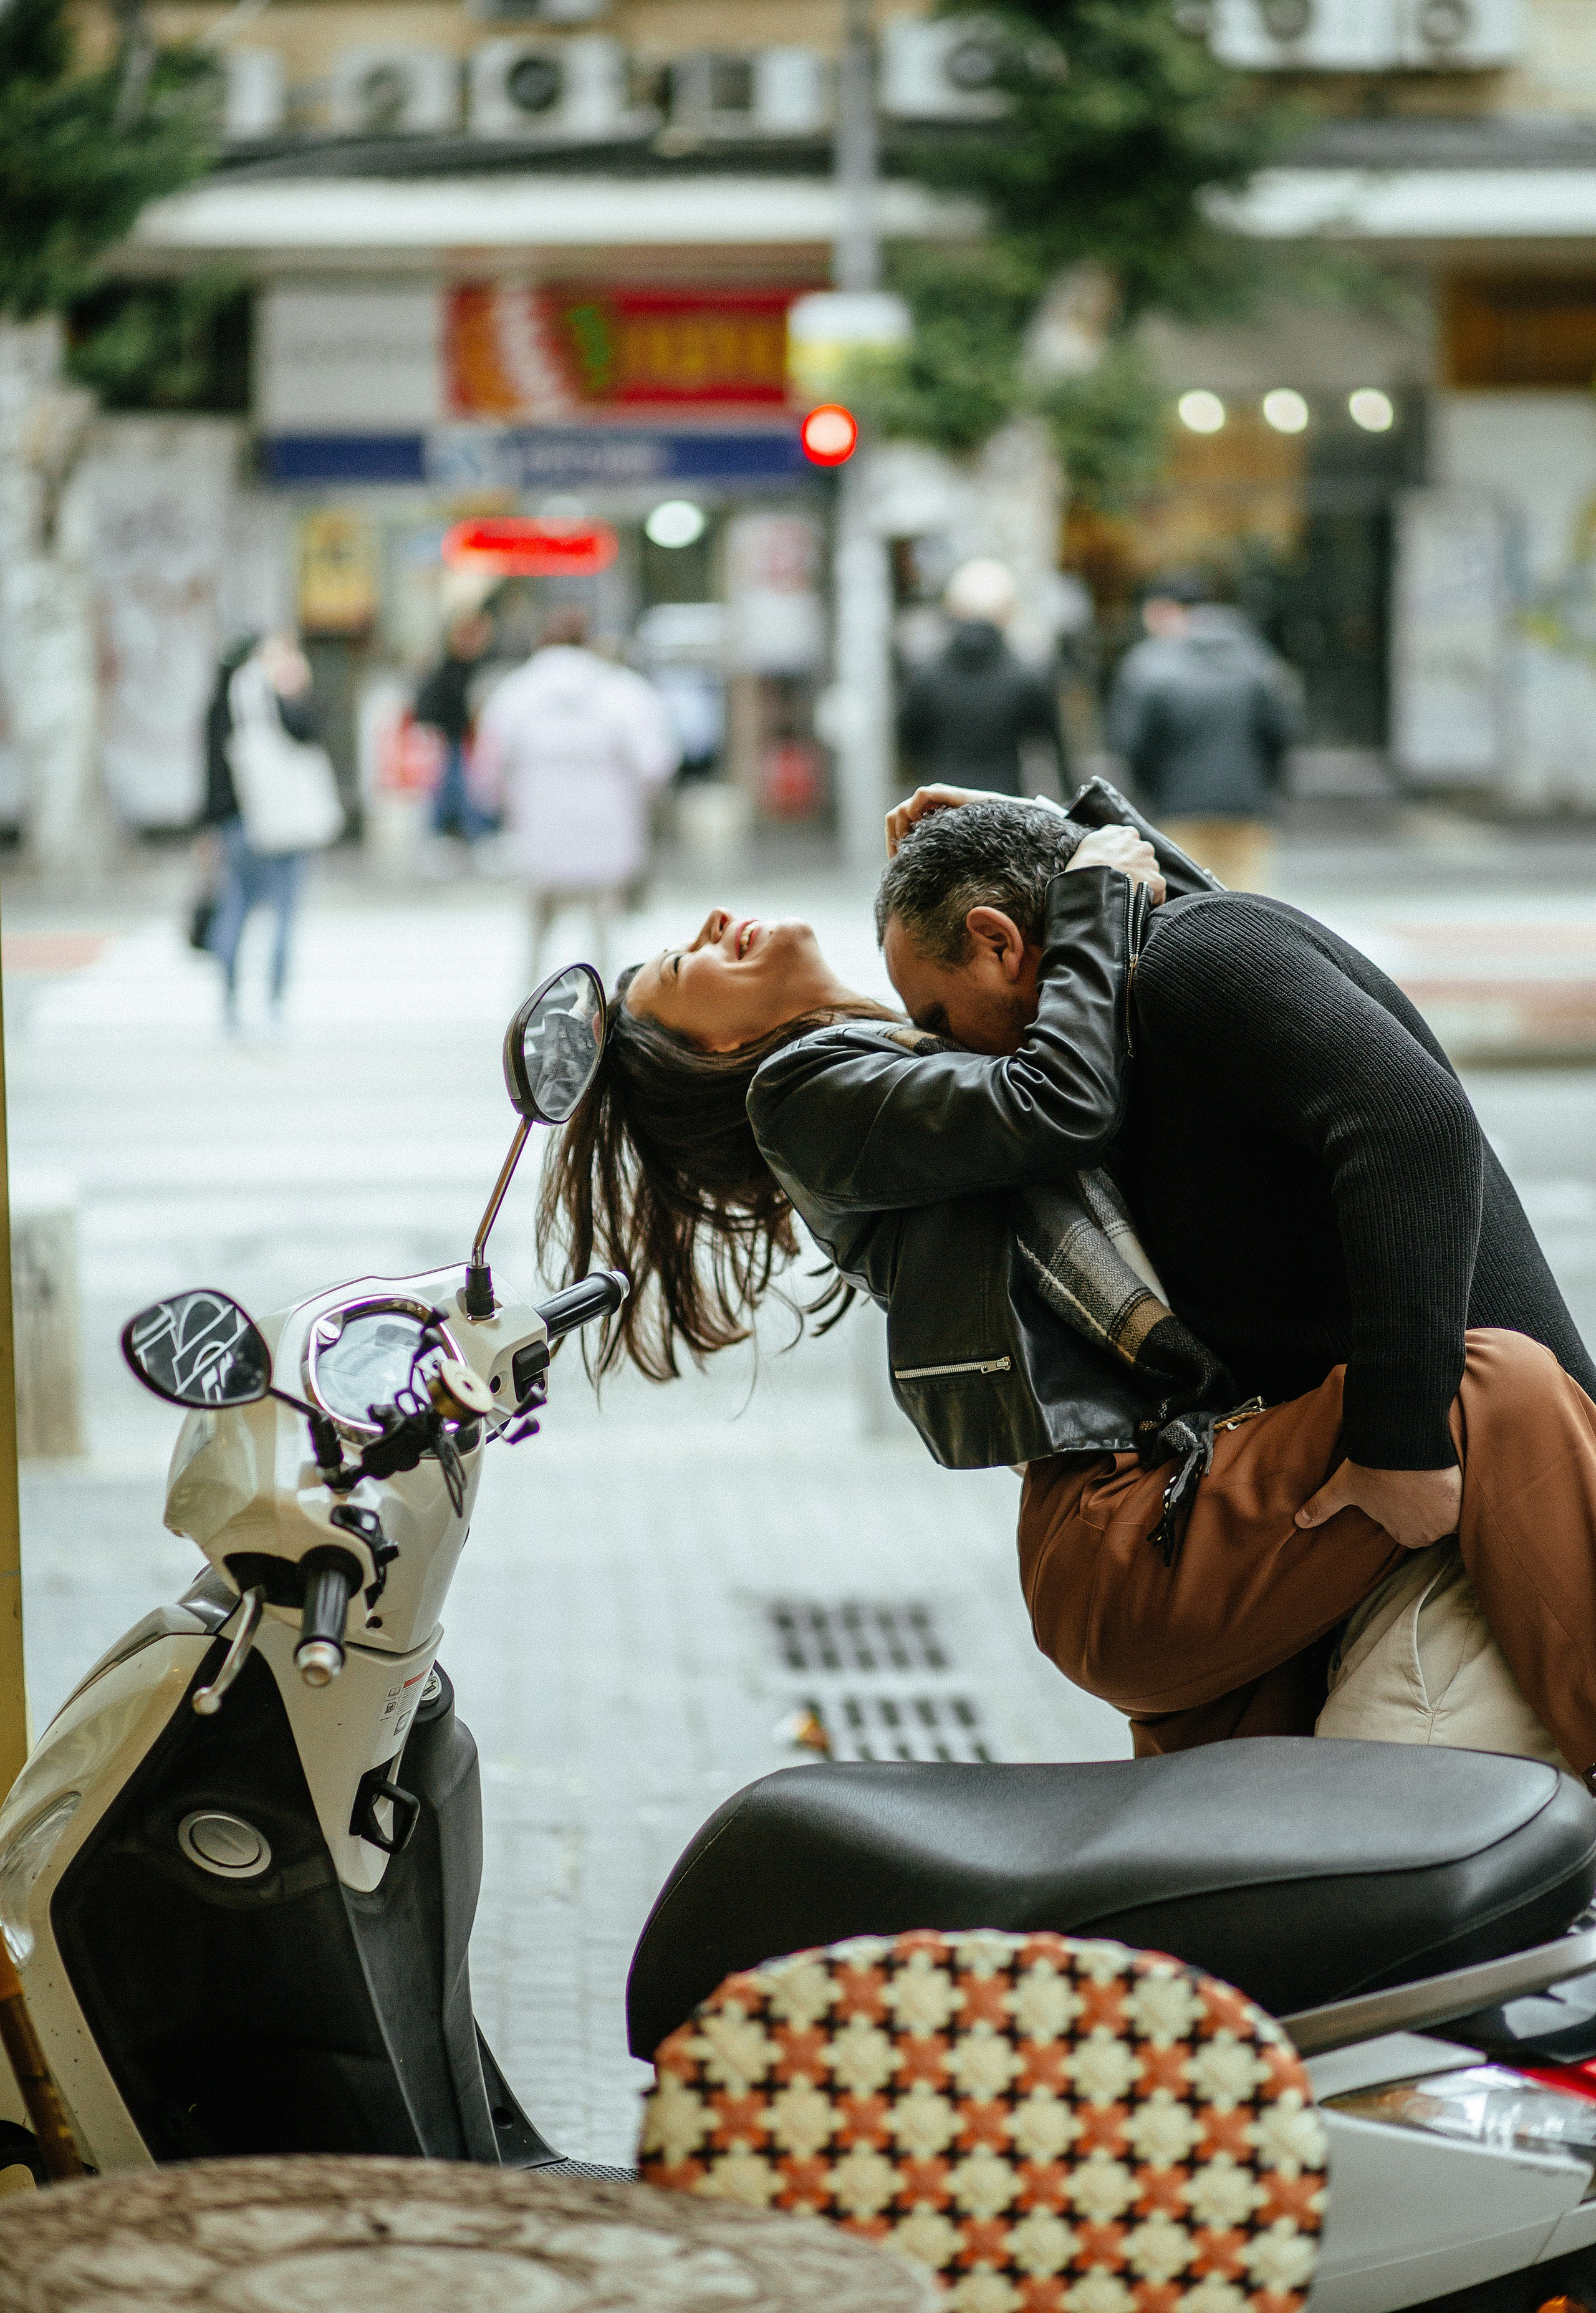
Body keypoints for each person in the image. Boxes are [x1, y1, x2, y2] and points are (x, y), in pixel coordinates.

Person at [538, 790, 1596, 1780]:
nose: (714, 921)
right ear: (716, 1051)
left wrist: (1044, 832)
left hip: (1168, 1506)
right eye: (683, 964)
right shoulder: (802, 1098)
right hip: (1130, 1526)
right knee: (1490, 1385)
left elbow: (1204, 970)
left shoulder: (919, 1072)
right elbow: (1068, 1091)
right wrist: (1080, 887)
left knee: (1278, 1859)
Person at [473, 608, 680, 983]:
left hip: (540, 837)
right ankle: (606, 1004)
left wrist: (506, 806)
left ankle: (528, 999)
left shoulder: (515, 692)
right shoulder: (623, 691)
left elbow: (488, 767)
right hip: (608, 838)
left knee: (538, 930)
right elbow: (655, 764)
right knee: (604, 931)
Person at [1107, 569, 1302, 892]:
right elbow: (1282, 732)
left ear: (1169, 610)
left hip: (1177, 808)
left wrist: (1152, 793)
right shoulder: (1258, 659)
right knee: (1249, 903)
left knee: (1188, 902)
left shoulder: (1149, 665)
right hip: (1248, 808)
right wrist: (1266, 787)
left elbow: (1131, 743)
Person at [201, 631, 327, 1036]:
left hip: (235, 823)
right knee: (283, 914)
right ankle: (274, 1004)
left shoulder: (219, 705)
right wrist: (295, 689)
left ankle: (229, 1002)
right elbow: (310, 731)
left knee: (235, 910)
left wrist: (209, 827)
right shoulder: (271, 696)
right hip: (279, 822)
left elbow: (211, 776)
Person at [898, 559, 1064, 799]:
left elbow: (909, 743)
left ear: (953, 607)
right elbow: (1052, 746)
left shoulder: (926, 676)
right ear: (1007, 612)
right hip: (1005, 808)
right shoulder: (1027, 677)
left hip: (940, 806)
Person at [415, 591, 493, 845]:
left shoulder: (483, 663)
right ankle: (452, 831)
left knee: (469, 785)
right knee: (454, 783)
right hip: (454, 736)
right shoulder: (450, 665)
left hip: (474, 739)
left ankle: (470, 831)